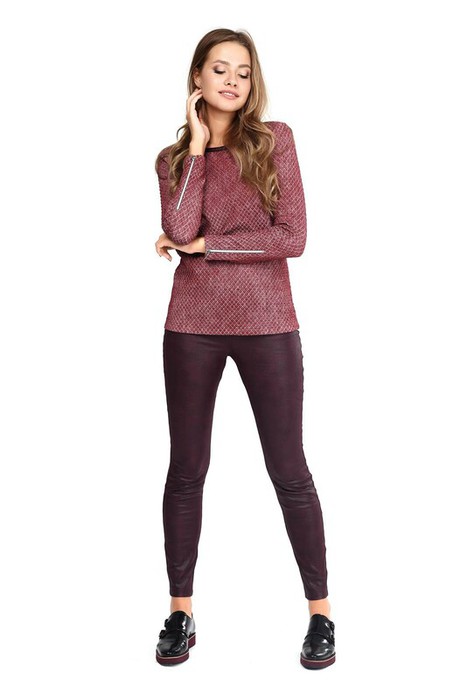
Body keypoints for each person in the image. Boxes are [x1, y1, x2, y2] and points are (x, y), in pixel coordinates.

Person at [153, 28, 336, 669]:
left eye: (243, 71)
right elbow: (178, 225)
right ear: (197, 79)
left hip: (269, 322)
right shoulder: (173, 159)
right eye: (220, 69)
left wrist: (208, 247)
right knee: (186, 470)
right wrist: (196, 149)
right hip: (191, 324)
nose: (232, 81)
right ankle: (180, 612)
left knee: (289, 469)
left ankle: (321, 615)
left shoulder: (275, 140)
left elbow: (293, 238)